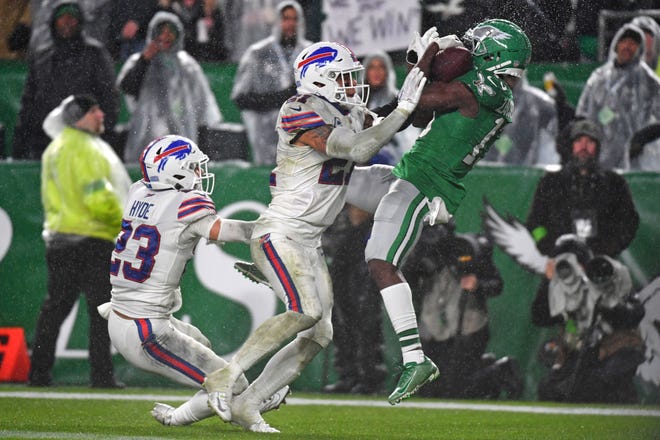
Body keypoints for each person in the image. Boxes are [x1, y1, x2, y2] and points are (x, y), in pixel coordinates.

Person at [203, 41, 427, 432]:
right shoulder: (298, 109)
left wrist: (420, 81)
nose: (353, 86)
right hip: (282, 233)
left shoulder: (348, 111)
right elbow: (359, 149)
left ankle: (249, 403)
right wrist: (403, 109)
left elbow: (388, 120)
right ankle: (227, 371)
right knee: (305, 311)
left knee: (320, 334)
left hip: (308, 242)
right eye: (343, 77)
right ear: (318, 79)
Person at [341, 19, 532, 405]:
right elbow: (419, 114)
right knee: (323, 180)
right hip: (405, 173)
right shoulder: (490, 90)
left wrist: (425, 58)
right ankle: (280, 243)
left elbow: (417, 101)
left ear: (494, 54)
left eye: (478, 45)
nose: (468, 48)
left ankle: (415, 360)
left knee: (379, 260)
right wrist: (421, 66)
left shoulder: (487, 89)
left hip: (423, 185)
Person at [101, 134, 288, 428]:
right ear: (174, 171)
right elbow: (230, 231)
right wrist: (276, 225)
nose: (200, 173)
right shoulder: (186, 203)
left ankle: (248, 402)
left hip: (127, 315)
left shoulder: (139, 192)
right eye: (194, 167)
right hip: (146, 329)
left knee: (202, 343)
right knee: (231, 382)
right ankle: (181, 417)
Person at [29, 94, 131, 388]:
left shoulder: (54, 148)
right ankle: (102, 376)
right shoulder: (87, 149)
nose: (101, 114)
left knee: (54, 310)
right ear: (79, 117)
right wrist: (124, 226)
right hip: (93, 239)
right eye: (94, 110)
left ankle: (39, 373)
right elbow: (98, 199)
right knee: (101, 312)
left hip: (60, 240)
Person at [403, 224, 522, 399]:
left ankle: (499, 371)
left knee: (456, 391)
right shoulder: (423, 256)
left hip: (468, 329)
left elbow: (496, 285)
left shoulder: (468, 249)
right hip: (434, 330)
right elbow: (405, 284)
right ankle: (484, 366)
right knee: (431, 391)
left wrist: (477, 284)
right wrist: (416, 257)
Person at [533, 236, 646, 403]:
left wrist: (609, 307)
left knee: (597, 382)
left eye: (571, 262)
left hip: (616, 347)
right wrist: (562, 350)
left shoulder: (608, 271)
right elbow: (552, 321)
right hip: (585, 352)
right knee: (550, 389)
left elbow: (634, 316)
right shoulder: (559, 287)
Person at [11, 0, 120, 160]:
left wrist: (101, 132)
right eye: (62, 17)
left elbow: (109, 98)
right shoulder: (42, 57)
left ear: (80, 21)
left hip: (85, 139)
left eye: (72, 17)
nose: (67, 22)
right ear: (53, 21)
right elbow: (30, 101)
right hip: (45, 141)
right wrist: (21, 139)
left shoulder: (95, 54)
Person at [117, 11, 222, 163]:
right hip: (146, 141)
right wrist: (144, 60)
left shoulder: (188, 66)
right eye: (161, 31)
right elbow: (127, 87)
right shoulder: (138, 61)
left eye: (170, 32)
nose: (165, 36)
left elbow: (202, 105)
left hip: (182, 144)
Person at [231, 0, 311, 165]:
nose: (290, 24)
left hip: (303, 138)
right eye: (285, 18)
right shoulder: (257, 53)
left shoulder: (310, 54)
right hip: (265, 136)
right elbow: (241, 98)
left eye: (294, 19)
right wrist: (282, 98)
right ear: (277, 21)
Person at [575, 22, 660, 170]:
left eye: (633, 43)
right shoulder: (599, 77)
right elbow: (583, 113)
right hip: (599, 156)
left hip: (637, 159)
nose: (627, 47)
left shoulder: (649, 81)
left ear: (639, 49)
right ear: (616, 45)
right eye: (624, 42)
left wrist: (642, 138)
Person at [484, 72, 559, 166]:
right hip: (486, 174)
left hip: (526, 173)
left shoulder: (539, 104)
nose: (507, 82)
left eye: (511, 77)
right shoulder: (482, 101)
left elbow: (550, 148)